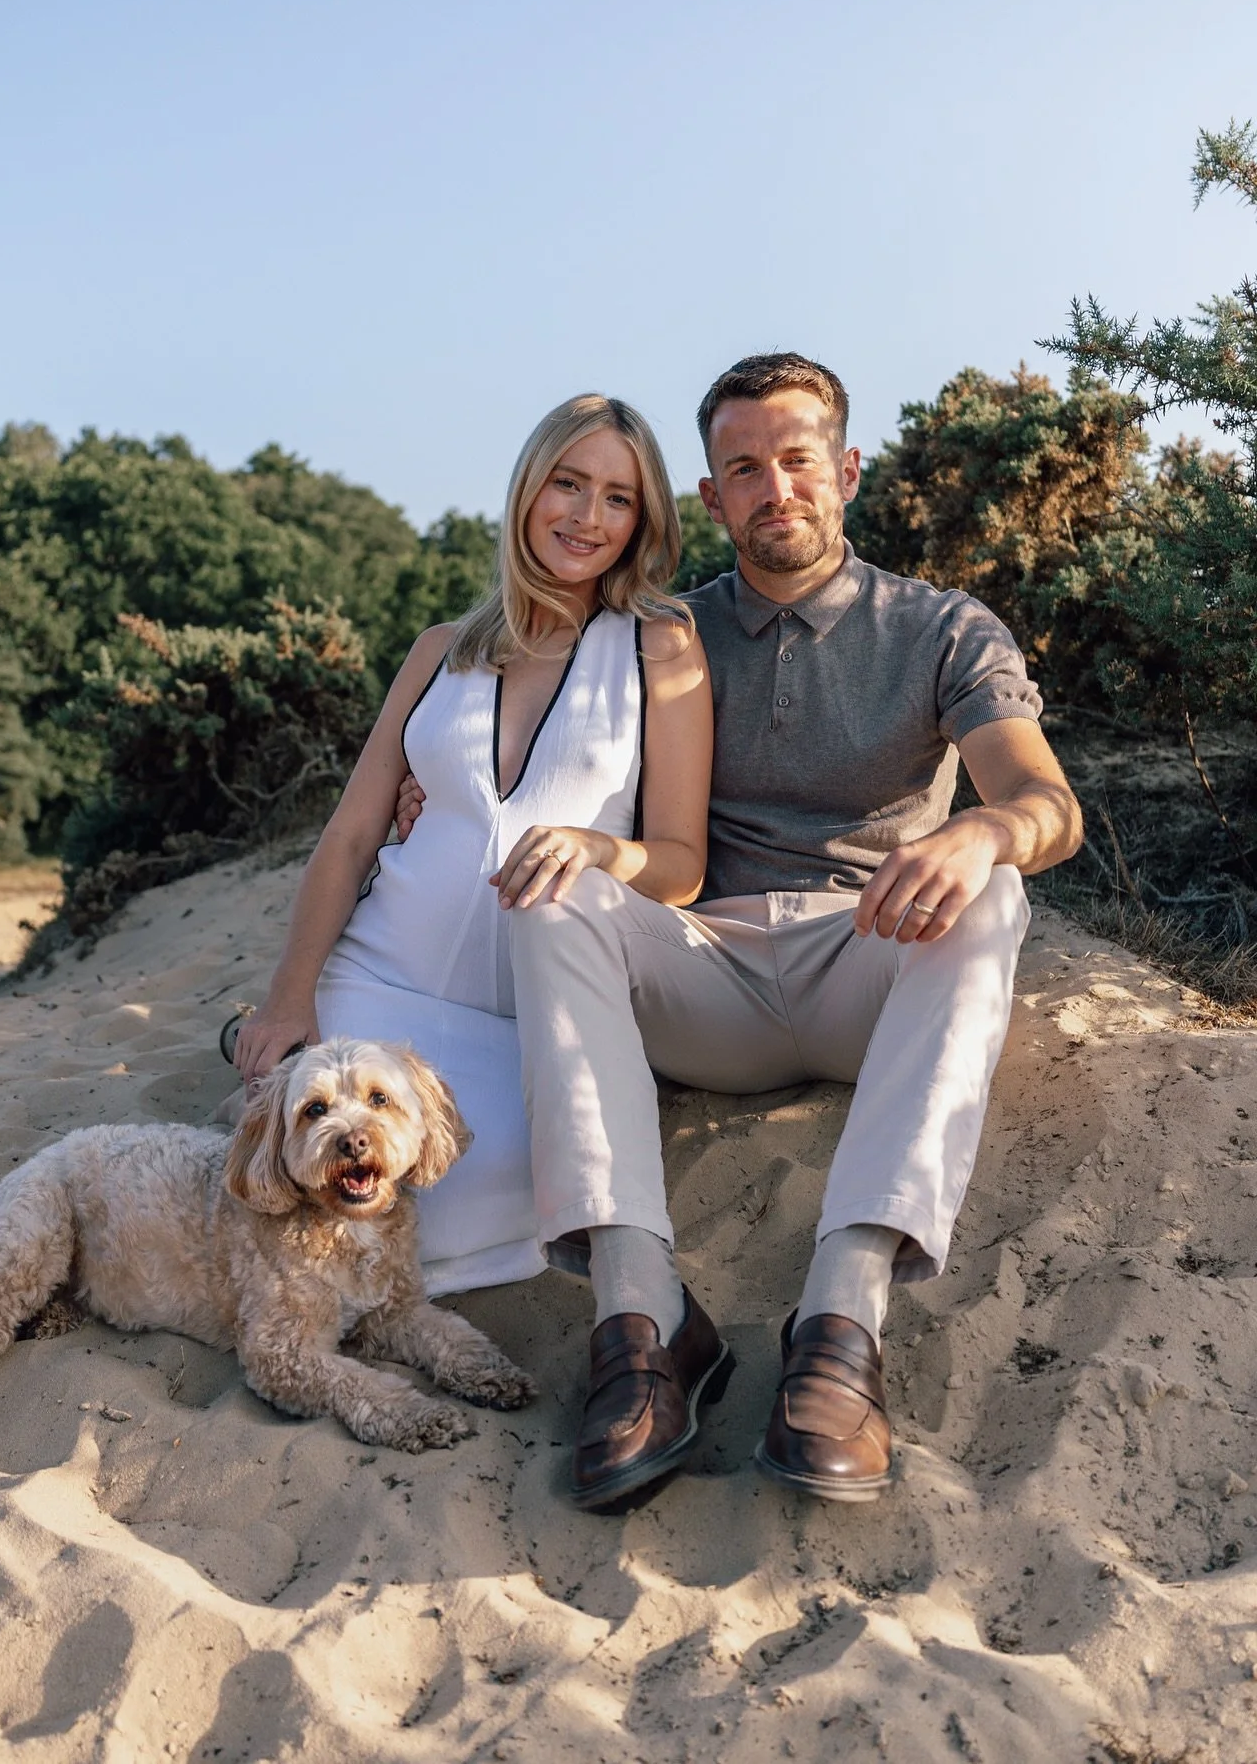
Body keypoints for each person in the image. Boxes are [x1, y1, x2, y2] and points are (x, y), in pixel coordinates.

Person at [401, 350, 1082, 1509]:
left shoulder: (939, 628)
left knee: (996, 890)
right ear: (713, 498)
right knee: (553, 890)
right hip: (700, 969)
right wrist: (429, 790)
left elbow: (1047, 804)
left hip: (869, 959)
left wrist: (984, 830)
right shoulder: (660, 631)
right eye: (746, 470)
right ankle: (642, 1320)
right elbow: (523, 698)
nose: (778, 488)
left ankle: (842, 1323)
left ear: (847, 470)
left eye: (799, 459)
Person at [234, 394, 713, 1298]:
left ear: (642, 520)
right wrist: (289, 997)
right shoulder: (438, 651)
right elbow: (352, 834)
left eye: (618, 498)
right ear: (528, 488)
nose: (587, 516)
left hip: (528, 1026)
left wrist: (600, 850)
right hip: (371, 986)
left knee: (456, 1199)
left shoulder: (660, 647)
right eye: (568, 483)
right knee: (297, 1168)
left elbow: (683, 863)